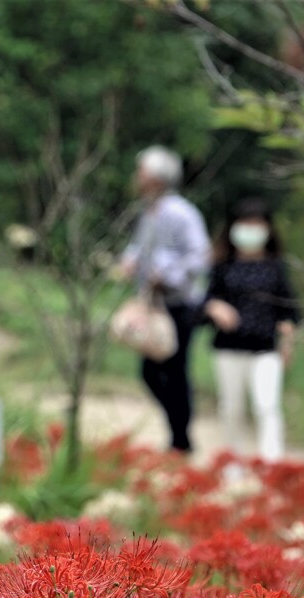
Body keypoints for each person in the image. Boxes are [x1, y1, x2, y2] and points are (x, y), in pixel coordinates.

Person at [119, 146, 211, 454]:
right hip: (153, 304)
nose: (137, 178)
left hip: (180, 304)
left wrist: (168, 274)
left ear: (157, 179)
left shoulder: (180, 213)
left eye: (142, 172)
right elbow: (138, 247)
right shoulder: (149, 211)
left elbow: (199, 255)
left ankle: (180, 439)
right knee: (151, 371)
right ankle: (178, 430)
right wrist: (130, 262)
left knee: (175, 371)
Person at [204, 197, 301, 463]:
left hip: (265, 348)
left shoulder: (275, 267)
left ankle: (272, 465)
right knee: (231, 409)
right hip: (229, 347)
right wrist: (214, 308)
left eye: (256, 223)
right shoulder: (223, 266)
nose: (250, 229)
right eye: (245, 223)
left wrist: (287, 340)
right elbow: (203, 302)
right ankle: (232, 464)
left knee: (266, 405)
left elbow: (290, 311)